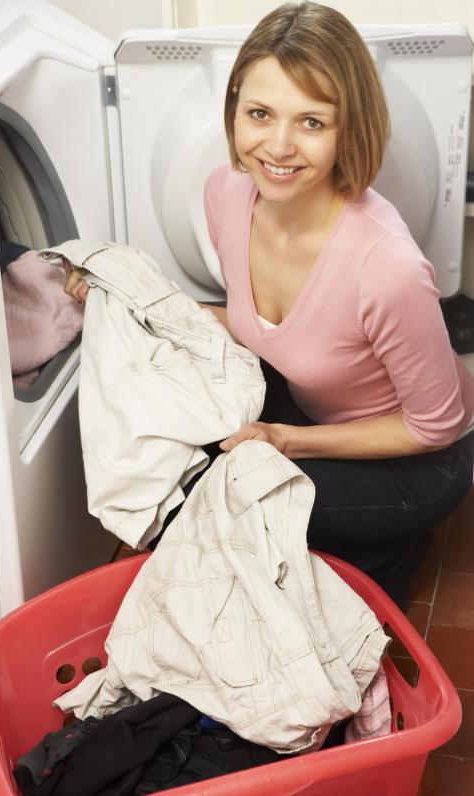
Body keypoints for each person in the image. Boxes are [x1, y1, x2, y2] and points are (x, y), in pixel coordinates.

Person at [65, 1, 474, 607]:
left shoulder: (384, 267)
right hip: (310, 410)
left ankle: (390, 547)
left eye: (312, 122)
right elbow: (263, 329)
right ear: (234, 113)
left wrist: (286, 441)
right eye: (260, 114)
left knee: (221, 504)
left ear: (349, 129)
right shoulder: (226, 195)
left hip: (412, 459)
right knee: (174, 456)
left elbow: (436, 426)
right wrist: (125, 297)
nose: (278, 147)